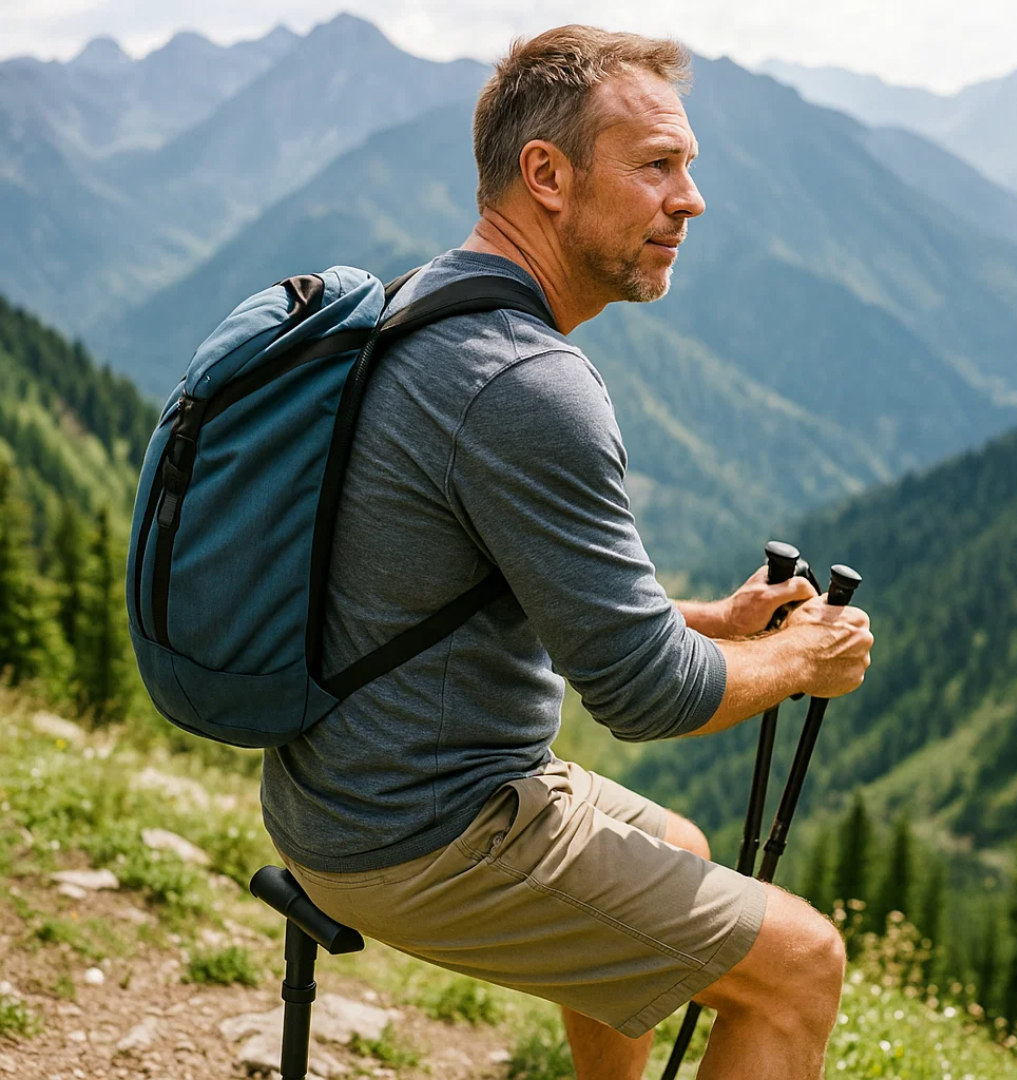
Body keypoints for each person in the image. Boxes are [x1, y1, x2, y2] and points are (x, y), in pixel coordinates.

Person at [261, 24, 873, 1080]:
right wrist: (802, 660)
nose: (691, 199)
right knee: (803, 963)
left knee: (675, 847)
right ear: (546, 174)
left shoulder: (422, 305)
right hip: (422, 831)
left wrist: (714, 623)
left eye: (689, 167)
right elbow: (645, 699)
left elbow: (480, 586)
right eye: (657, 166)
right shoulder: (525, 385)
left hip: (339, 788)